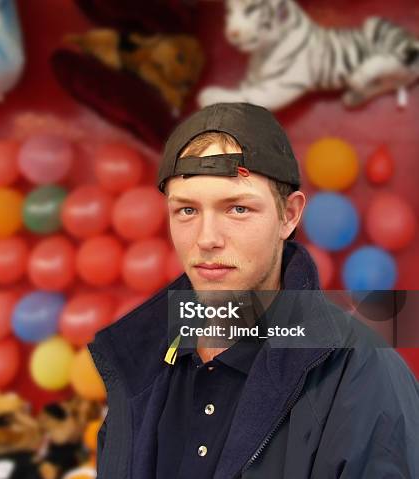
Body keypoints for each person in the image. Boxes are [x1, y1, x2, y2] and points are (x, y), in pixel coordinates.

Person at [87, 103, 419, 479]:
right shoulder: (138, 363)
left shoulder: (361, 370)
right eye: (187, 211)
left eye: (238, 209)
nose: (207, 239)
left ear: (289, 216)